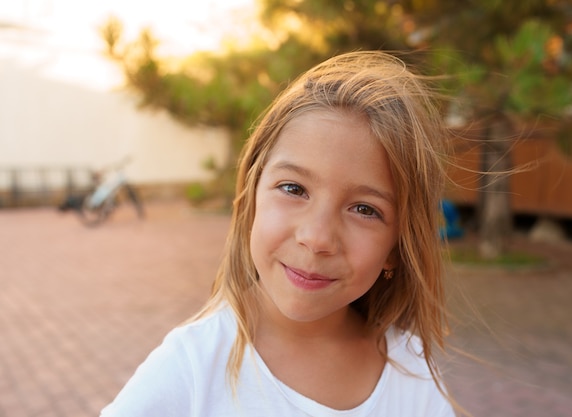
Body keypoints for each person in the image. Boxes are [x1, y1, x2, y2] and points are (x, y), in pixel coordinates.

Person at [101, 51, 456, 417]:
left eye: (365, 209)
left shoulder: (411, 372)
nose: (317, 238)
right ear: (251, 197)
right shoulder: (190, 370)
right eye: (293, 189)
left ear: (396, 249)